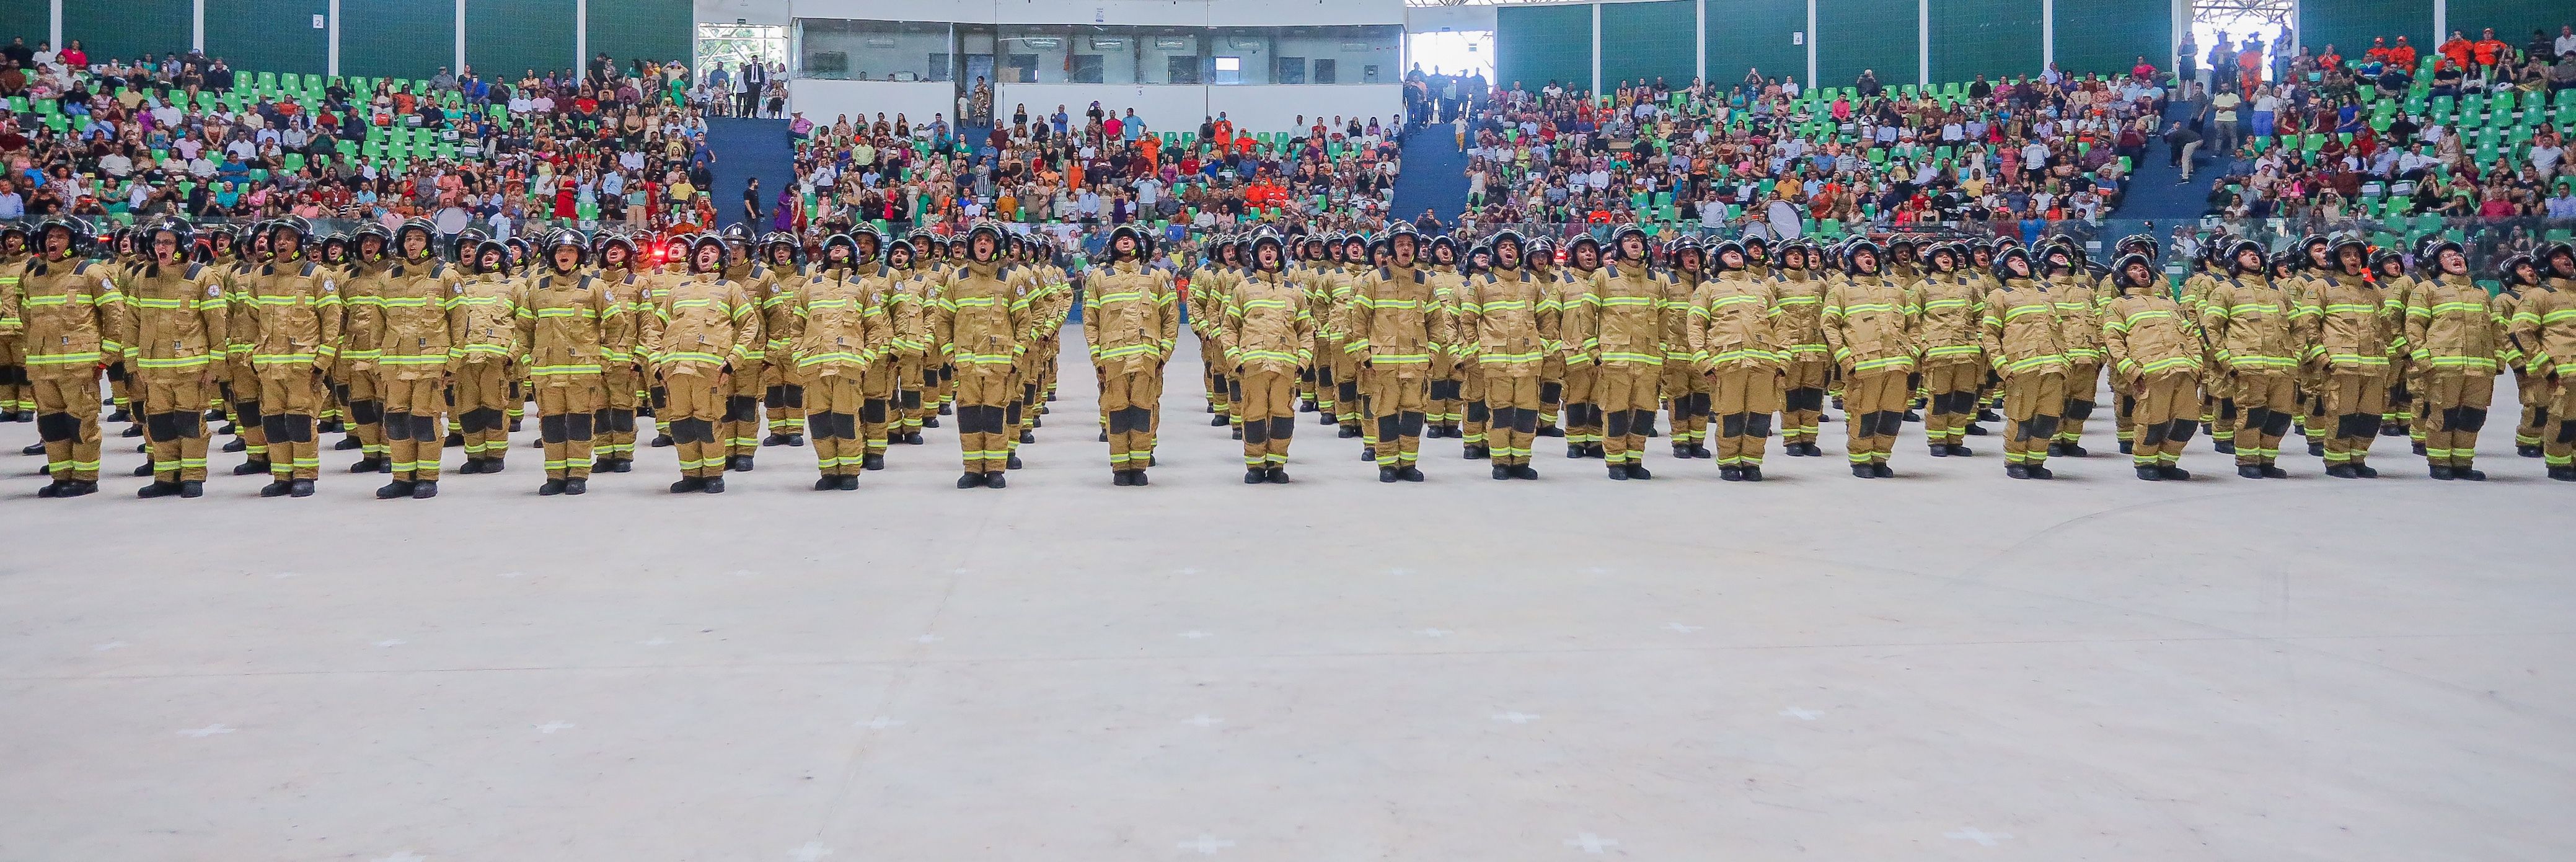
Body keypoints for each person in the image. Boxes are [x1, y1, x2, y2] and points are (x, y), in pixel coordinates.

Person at [777, 231, 893, 490]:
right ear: (827, 254)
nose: (838, 250)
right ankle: (829, 470)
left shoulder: (863, 287)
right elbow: (796, 327)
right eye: (834, 247)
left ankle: (850, 471)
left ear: (851, 253)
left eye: (843, 246)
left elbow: (876, 329)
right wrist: (799, 357)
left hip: (848, 368)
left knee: (846, 418)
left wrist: (866, 360)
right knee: (819, 420)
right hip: (815, 368)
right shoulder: (811, 286)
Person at [643, 234, 759, 493]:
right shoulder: (678, 291)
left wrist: (732, 362)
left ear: (722, 259)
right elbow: (655, 329)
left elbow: (750, 326)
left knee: (708, 423)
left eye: (713, 251)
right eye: (702, 250)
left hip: (711, 371)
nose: (706, 254)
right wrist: (656, 364)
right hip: (675, 370)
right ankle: (691, 473)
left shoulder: (730, 289)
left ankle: (713, 474)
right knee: (681, 424)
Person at [514, 229, 624, 495]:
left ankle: (577, 474)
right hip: (546, 372)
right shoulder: (537, 287)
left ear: (580, 256)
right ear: (552, 255)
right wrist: (529, 359)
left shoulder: (594, 286)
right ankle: (555, 475)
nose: (565, 255)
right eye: (560, 251)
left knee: (579, 423)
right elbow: (524, 327)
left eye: (570, 251)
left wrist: (604, 358)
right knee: (550, 424)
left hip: (582, 372)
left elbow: (617, 322)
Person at [120, 221, 225, 498]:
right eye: (157, 243)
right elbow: (131, 322)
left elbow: (217, 325)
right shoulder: (143, 277)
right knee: (160, 423)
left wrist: (215, 365)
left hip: (190, 368)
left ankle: (192, 476)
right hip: (153, 370)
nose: (161, 248)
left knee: (189, 422)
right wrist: (132, 363)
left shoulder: (203, 277)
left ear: (183, 245)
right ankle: (166, 476)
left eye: (167, 242)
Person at [1347, 225, 1448, 482]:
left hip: (1416, 365)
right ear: (1392, 248)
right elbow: (1357, 321)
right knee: (1386, 413)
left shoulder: (1425, 282)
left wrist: (1432, 355)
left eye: (1410, 244)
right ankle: (1388, 463)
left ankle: (1409, 463)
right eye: (1400, 244)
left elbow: (1436, 323)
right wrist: (1364, 355)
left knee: (1414, 413)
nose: (1406, 248)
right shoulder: (1374, 280)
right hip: (1384, 364)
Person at [935, 222, 1032, 488]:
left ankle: (996, 469)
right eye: (979, 240)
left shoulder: (1010, 280)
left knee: (993, 416)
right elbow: (943, 321)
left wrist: (1016, 357)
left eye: (988, 240)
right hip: (966, 366)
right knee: (968, 417)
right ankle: (973, 468)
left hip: (999, 366)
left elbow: (1024, 322)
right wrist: (950, 356)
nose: (983, 245)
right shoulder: (958, 279)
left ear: (996, 246)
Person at [2197, 242, 2303, 478]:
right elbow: (2211, 328)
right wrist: (2227, 361)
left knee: (2280, 417)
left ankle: (2267, 460)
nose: (2252, 257)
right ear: (2234, 262)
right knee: (2251, 416)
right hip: (2248, 368)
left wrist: (2294, 356)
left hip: (2282, 369)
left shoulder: (2278, 291)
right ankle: (2247, 461)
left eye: (2255, 253)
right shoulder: (2226, 290)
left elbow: (2298, 327)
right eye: (2245, 254)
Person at [1085, 224, 1179, 486]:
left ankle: (1139, 466)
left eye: (1130, 239)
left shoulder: (1157, 277)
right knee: (1116, 414)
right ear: (1113, 246)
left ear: (1138, 245)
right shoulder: (1099, 278)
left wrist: (1164, 353)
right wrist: (1097, 356)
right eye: (1121, 239)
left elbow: (1171, 318)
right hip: (1113, 361)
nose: (1125, 243)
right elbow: (1091, 322)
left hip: (1147, 361)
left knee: (1141, 412)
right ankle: (1119, 467)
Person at [1458, 231, 1556, 480]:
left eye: (1513, 246)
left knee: (1526, 414)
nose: (1509, 250)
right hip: (1496, 363)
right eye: (1503, 247)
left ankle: (1521, 461)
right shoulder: (1482, 283)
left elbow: (1546, 320)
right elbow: (1467, 321)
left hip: (1528, 363)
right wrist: (1478, 350)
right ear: (1495, 253)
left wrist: (1541, 345)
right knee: (1500, 414)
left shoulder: (1532, 282)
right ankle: (1500, 461)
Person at [1219, 229, 1314, 483]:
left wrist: (1302, 363)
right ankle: (1255, 464)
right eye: (1263, 249)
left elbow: (1306, 331)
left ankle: (1277, 465)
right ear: (1255, 255)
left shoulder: (1295, 291)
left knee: (1283, 416)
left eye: (1272, 248)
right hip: (1253, 367)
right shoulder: (1243, 289)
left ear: (1280, 254)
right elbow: (1229, 329)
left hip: (1285, 368)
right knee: (1253, 415)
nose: (1268, 252)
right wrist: (1236, 361)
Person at [2404, 240, 2504, 480]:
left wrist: (2499, 360)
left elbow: (2496, 329)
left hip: (2480, 369)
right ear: (2435, 264)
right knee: (2443, 415)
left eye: (2457, 254)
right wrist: (2424, 361)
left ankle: (2462, 462)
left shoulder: (2481, 292)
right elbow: (2414, 327)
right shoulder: (2427, 289)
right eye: (2447, 256)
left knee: (2472, 417)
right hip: (2443, 367)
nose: (2455, 258)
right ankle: (2439, 462)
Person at [2101, 253, 2204, 480]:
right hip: (2151, 374)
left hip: (2183, 371)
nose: (2142, 271)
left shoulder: (2169, 303)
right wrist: (2131, 370)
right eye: (2134, 269)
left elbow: (2190, 335)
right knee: (2152, 422)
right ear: (2122, 278)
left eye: (2143, 267)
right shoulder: (2119, 305)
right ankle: (2145, 462)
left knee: (2186, 422)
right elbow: (2113, 340)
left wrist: (2197, 364)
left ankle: (2168, 461)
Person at [1687, 239, 1783, 481]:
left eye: (1737, 252)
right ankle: (1729, 462)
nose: (1735, 255)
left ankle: (1752, 462)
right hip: (1726, 366)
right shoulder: (1708, 289)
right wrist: (1704, 363)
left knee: (1760, 417)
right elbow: (1696, 328)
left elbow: (1781, 327)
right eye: (1728, 253)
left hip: (1763, 365)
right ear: (1718, 261)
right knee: (1730, 417)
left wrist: (1783, 362)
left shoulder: (1762, 289)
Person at [1821, 240, 1917, 477]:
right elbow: (1829, 326)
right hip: (1863, 367)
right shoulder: (1842, 291)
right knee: (1864, 414)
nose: (1868, 259)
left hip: (1896, 365)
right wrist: (1847, 361)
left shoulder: (1896, 290)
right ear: (1853, 262)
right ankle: (1860, 460)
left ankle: (1881, 458)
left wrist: (1911, 353)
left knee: (1892, 415)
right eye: (1862, 255)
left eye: (1871, 255)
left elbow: (1914, 325)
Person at [1583, 224, 1670, 480]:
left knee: (1644, 413)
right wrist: (1593, 350)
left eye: (1638, 240)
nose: (1634, 244)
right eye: (1629, 240)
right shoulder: (1603, 277)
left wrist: (1662, 350)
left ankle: (1635, 458)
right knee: (1616, 411)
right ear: (1619, 246)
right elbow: (1587, 316)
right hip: (1615, 360)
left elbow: (1664, 319)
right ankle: (1616, 460)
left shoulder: (1656, 280)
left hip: (1649, 361)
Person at [1980, 246, 2068, 479]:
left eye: (2022, 259)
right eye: (2013, 260)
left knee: (2048, 419)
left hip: (2053, 368)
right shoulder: (1999, 296)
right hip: (2022, 368)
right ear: (2003, 269)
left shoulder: (2045, 294)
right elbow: (1989, 336)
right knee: (2021, 418)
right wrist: (2003, 367)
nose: (2020, 262)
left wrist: (2065, 361)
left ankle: (2036, 461)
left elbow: (2059, 331)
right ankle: (2015, 461)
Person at [2306, 238, 2392, 478]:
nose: (2353, 259)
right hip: (2341, 365)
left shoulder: (2373, 291)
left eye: (2356, 255)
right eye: (2346, 255)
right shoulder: (2322, 287)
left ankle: (2358, 458)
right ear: (2335, 259)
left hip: (2374, 366)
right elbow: (2309, 327)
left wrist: (2386, 358)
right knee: (2341, 416)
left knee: (2370, 417)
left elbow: (2385, 327)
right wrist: (2322, 359)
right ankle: (2336, 461)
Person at [2510, 244, 2576, 480]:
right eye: (2558, 257)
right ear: (2546, 265)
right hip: (2562, 372)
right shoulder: (2538, 295)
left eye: (2568, 255)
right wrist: (2546, 367)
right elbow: (2519, 331)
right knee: (2563, 419)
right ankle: (2559, 464)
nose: (2566, 260)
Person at [1914, 244, 1985, 456]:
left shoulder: (1968, 286)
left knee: (1964, 398)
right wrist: (1924, 347)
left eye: (1948, 256)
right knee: (1940, 399)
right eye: (1940, 256)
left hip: (1967, 354)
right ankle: (1937, 440)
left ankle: (1955, 439)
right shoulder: (1922, 287)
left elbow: (1982, 318)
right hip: (1938, 354)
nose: (1946, 259)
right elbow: (1911, 321)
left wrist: (1979, 343)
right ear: (1932, 261)